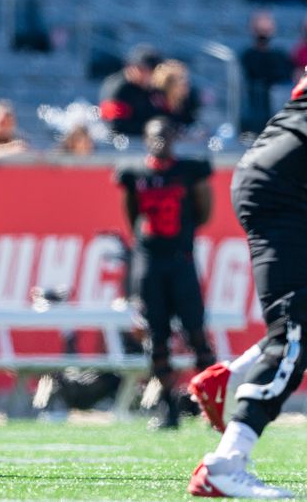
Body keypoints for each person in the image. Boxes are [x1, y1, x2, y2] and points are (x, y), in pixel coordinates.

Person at [185, 69, 307, 500]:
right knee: (293, 333)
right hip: (285, 189)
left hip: (279, 177)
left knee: (300, 322)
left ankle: (228, 377)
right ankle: (225, 464)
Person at [114, 117, 216, 430]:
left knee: (196, 334)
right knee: (156, 338)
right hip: (149, 263)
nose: (160, 141)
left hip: (180, 259)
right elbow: (132, 215)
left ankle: (211, 407)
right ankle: (168, 407)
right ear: (145, 138)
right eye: (154, 136)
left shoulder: (189, 169)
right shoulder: (134, 173)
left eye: (165, 136)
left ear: (174, 137)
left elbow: (203, 211)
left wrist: (182, 237)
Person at [240, 11, 293, 136]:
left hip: (278, 107)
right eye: (260, 29)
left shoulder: (280, 56)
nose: (263, 33)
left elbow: (285, 79)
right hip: (253, 107)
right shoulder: (247, 56)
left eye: (266, 29)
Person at [99, 44, 162, 136]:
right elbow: (116, 126)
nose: (150, 74)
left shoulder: (152, 88)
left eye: (154, 70)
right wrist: (151, 127)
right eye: (146, 70)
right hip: (122, 145)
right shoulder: (118, 89)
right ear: (131, 67)